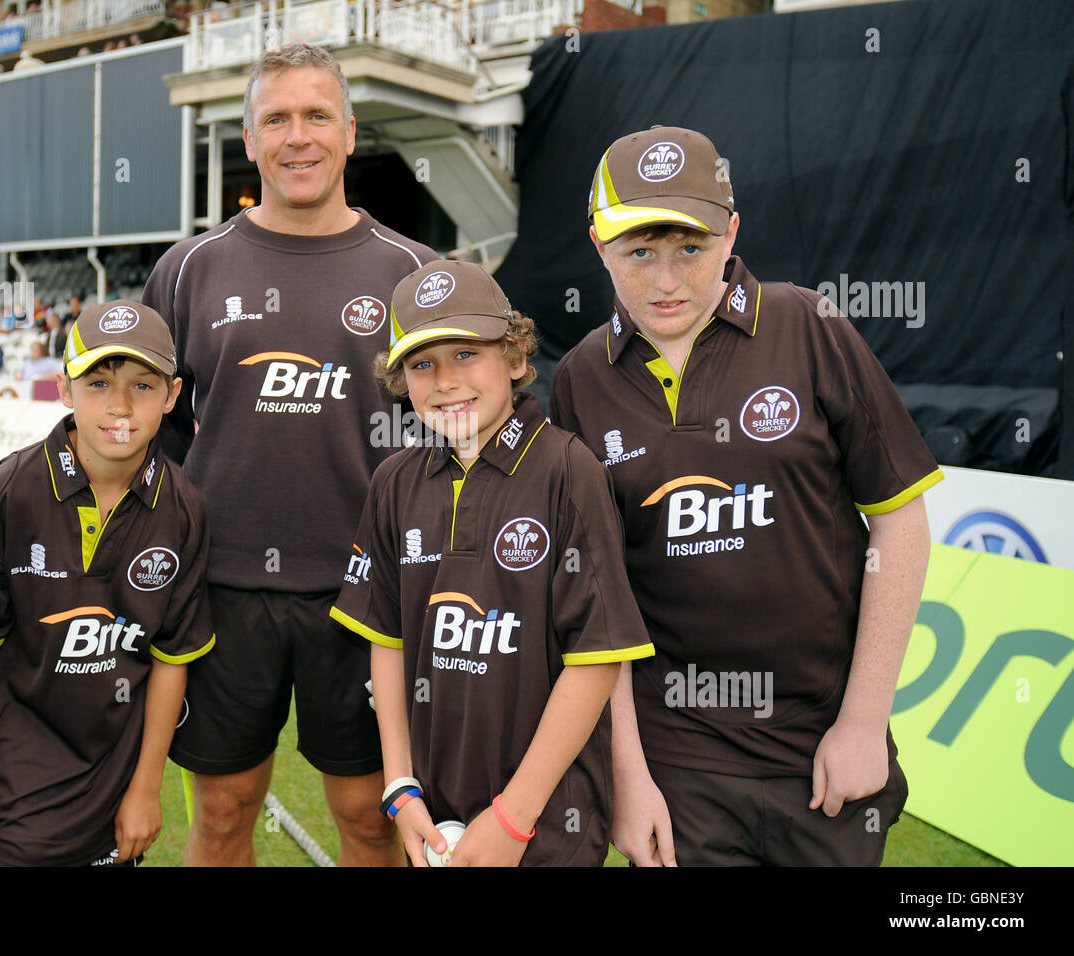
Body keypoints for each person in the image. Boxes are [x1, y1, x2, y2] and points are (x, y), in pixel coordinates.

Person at [551, 126, 943, 866]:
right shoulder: (579, 378)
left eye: (690, 250)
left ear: (731, 234)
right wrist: (629, 777)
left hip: (821, 748)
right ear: (599, 244)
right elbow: (595, 600)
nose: (666, 282)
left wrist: (863, 722)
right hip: (678, 759)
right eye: (638, 253)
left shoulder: (809, 325)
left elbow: (900, 521)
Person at [141, 42, 438, 867]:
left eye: (316, 116)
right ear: (249, 139)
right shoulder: (187, 271)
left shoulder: (418, 276)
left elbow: (460, 440)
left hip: (370, 598)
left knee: (372, 818)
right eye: (277, 118)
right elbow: (152, 444)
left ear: (349, 133)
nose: (297, 137)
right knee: (227, 810)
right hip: (224, 593)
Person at [331, 262, 653, 866]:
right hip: (434, 811)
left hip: (547, 818)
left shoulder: (567, 469)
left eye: (466, 355)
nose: (446, 381)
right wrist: (401, 787)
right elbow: (389, 640)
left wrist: (513, 817)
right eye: (423, 364)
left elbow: (597, 658)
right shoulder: (394, 482)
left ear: (515, 357)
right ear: (401, 381)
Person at [0, 299, 215, 866]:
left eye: (143, 385)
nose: (119, 405)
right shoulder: (14, 488)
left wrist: (146, 788)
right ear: (64, 389)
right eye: (98, 382)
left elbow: (170, 660)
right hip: (16, 776)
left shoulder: (184, 508)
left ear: (173, 396)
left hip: (114, 786)